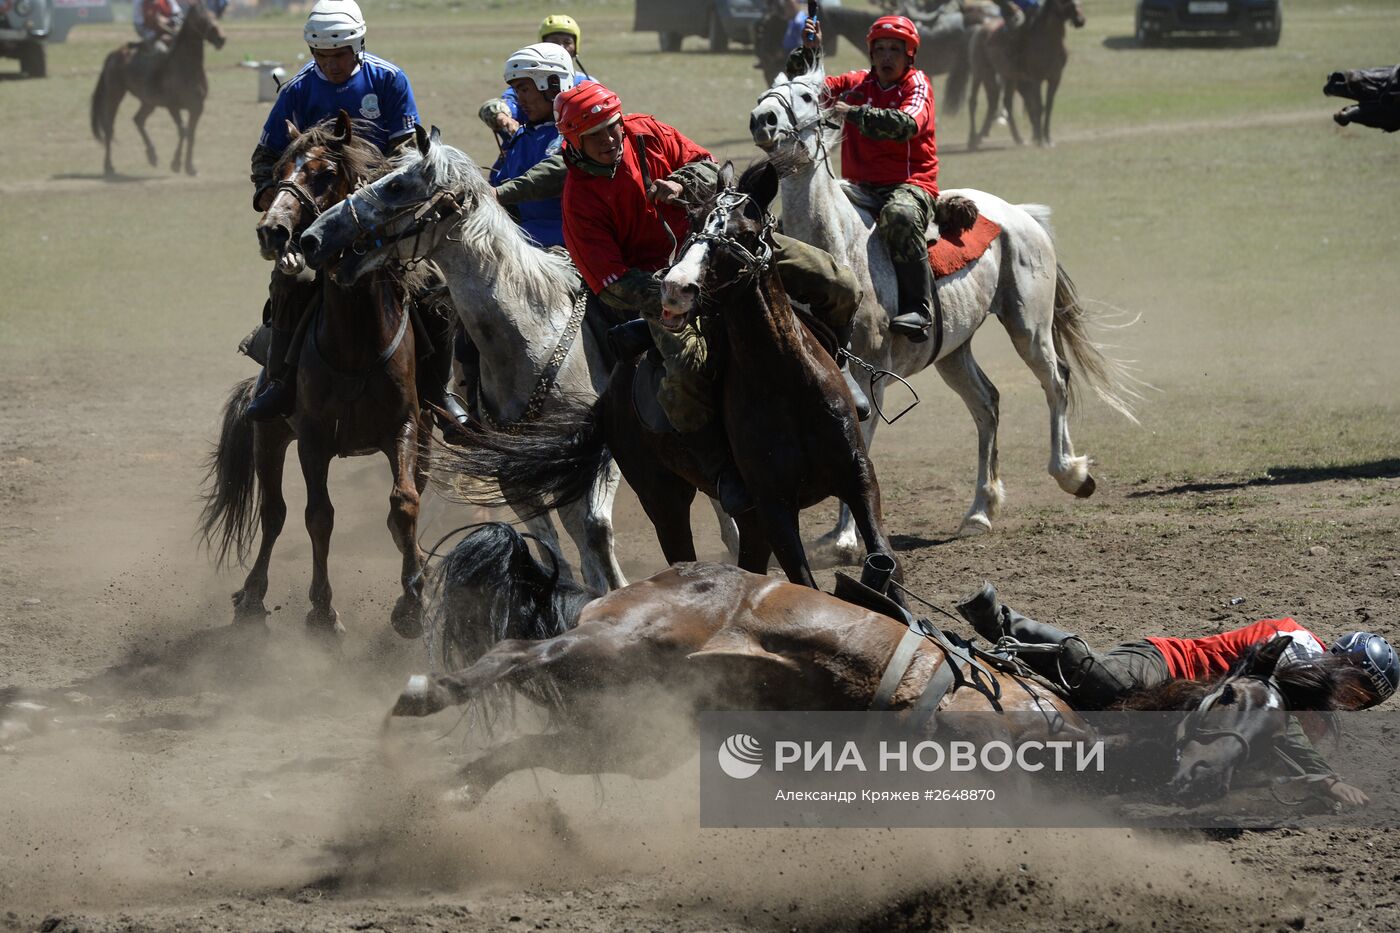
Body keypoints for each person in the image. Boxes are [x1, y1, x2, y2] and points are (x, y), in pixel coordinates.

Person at [549, 81, 865, 516]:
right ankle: (722, 470)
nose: (609, 140)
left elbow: (705, 164)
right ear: (574, 142)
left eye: (611, 127)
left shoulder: (646, 133)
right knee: (683, 376)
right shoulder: (579, 200)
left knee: (839, 284)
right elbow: (613, 283)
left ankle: (841, 367)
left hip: (723, 242)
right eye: (595, 135)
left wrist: (679, 186)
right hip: (668, 288)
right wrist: (679, 292)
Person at [955, 583, 1399, 805]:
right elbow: (1268, 709)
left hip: (1180, 715)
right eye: (1356, 686)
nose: (1349, 700)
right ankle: (999, 620)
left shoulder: (1316, 720)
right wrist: (1328, 776)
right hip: (1166, 665)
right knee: (1109, 682)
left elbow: (1266, 754)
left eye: (1363, 701)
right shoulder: (1296, 644)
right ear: (1343, 659)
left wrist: (1313, 787)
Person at [245, 0, 466, 432]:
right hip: (316, 225)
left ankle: (439, 392)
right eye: (322, 56)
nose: (331, 65)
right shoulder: (297, 90)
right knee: (289, 283)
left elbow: (407, 150)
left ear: (359, 44)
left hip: (383, 218)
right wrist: (269, 196)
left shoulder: (387, 79)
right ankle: (280, 383)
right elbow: (265, 155)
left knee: (436, 288)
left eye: (340, 54)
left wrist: (378, 189)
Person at [802, 14, 940, 342]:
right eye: (880, 49)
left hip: (909, 183)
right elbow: (814, 92)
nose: (887, 56)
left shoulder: (917, 85)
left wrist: (854, 112)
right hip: (859, 186)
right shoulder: (858, 82)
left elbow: (905, 124)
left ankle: (919, 308)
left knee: (899, 217)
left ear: (910, 55)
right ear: (871, 53)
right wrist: (811, 54)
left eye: (895, 49)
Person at [479, 14, 594, 149]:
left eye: (567, 42)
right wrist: (501, 115)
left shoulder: (588, 85)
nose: (561, 47)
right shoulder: (527, 83)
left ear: (576, 47)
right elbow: (504, 104)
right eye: (554, 42)